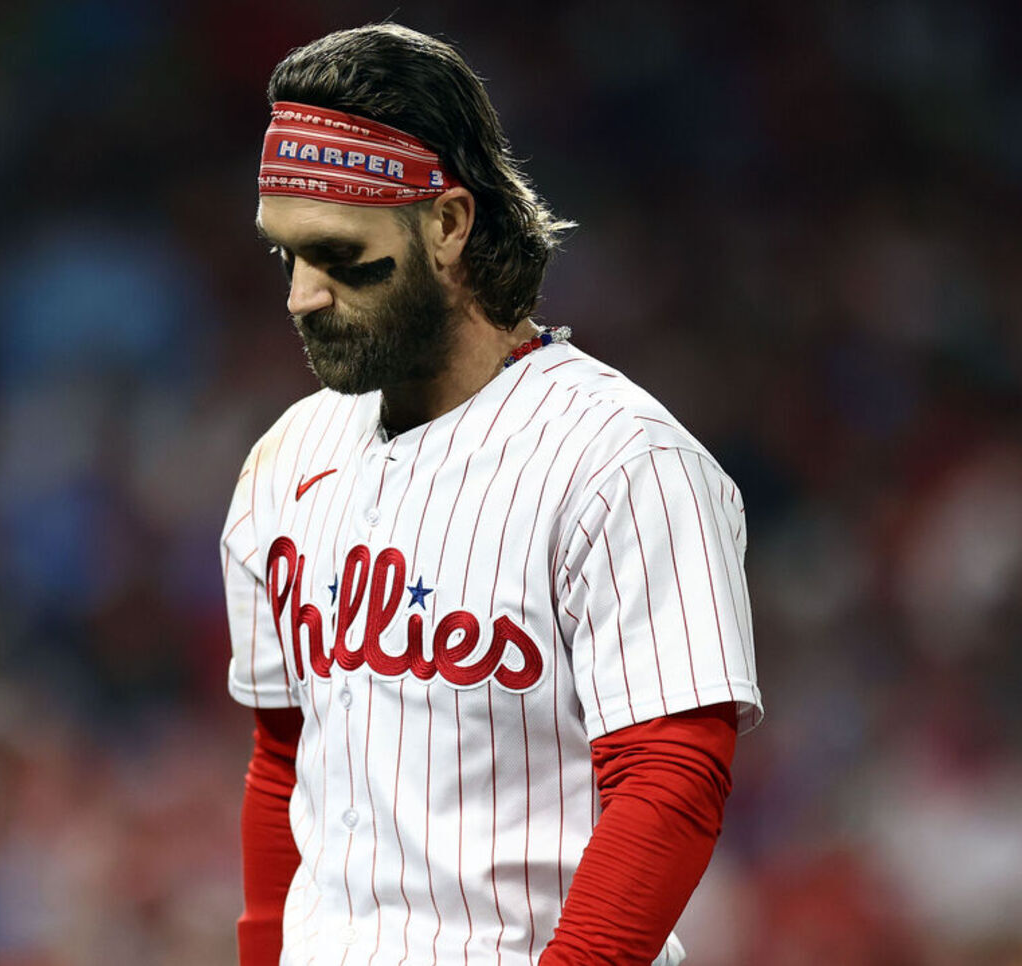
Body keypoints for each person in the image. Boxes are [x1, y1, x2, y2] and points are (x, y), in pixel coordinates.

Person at [220, 23, 763, 966]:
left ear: (449, 224)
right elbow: (282, 762)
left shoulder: (620, 459)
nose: (304, 295)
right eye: (287, 257)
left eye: (341, 255)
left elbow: (672, 775)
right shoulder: (287, 456)